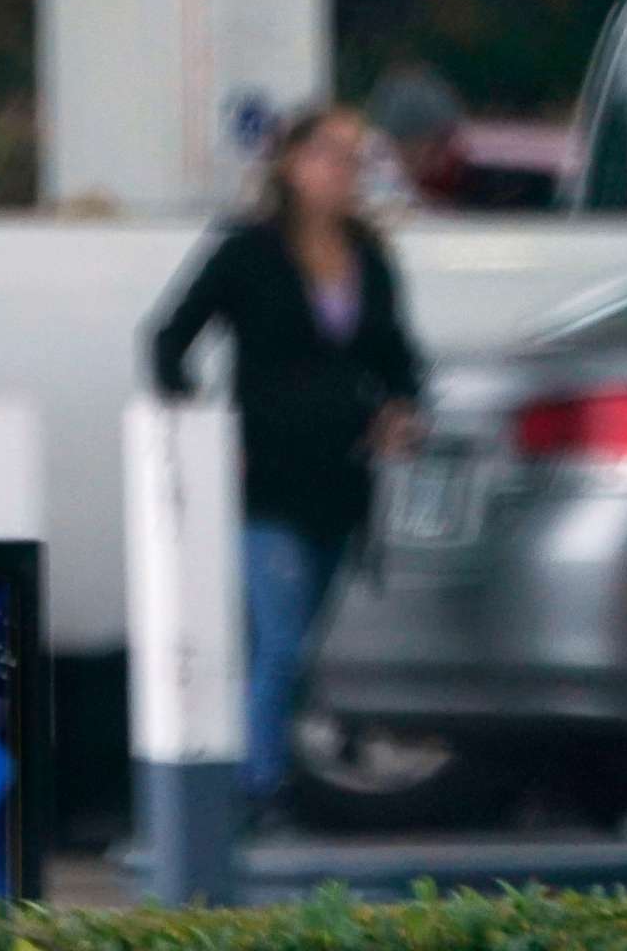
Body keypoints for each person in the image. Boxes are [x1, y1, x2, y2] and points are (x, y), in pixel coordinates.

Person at [146, 103, 423, 822]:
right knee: (282, 629)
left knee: (308, 638)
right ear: (293, 164)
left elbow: (395, 353)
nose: (345, 173)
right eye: (332, 155)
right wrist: (201, 427)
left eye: (357, 159)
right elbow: (169, 338)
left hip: (340, 473)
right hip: (265, 474)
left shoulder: (367, 253)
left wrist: (402, 406)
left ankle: (277, 768)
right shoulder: (248, 250)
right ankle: (259, 785)